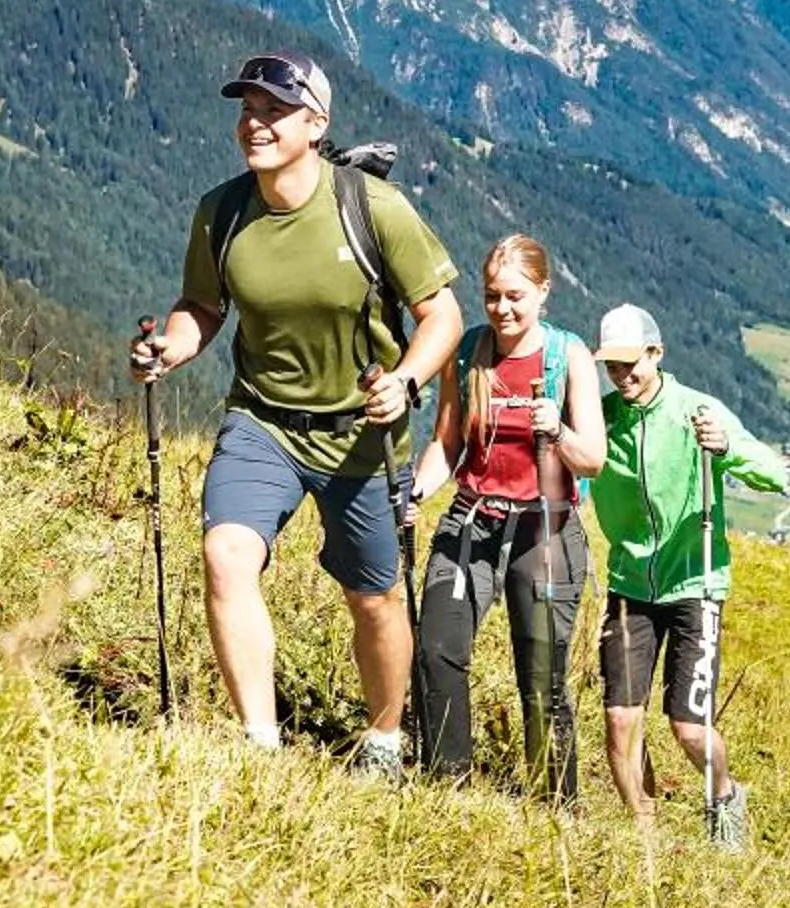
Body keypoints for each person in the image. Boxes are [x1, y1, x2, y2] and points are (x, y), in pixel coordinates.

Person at [132, 51, 463, 773]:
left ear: (316, 125)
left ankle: (381, 740)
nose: (254, 123)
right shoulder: (221, 214)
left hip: (360, 438)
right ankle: (259, 745)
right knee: (225, 556)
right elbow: (202, 307)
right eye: (247, 109)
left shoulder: (372, 210)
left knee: (372, 599)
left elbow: (441, 316)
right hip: (262, 422)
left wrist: (406, 381)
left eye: (274, 111)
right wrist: (170, 348)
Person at [410, 235, 608, 802]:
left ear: (544, 292)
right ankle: (446, 787)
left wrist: (557, 430)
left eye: (516, 296)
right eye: (493, 296)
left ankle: (553, 805)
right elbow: (448, 444)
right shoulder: (470, 352)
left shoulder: (567, 357)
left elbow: (592, 456)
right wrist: (417, 493)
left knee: (541, 674)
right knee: (437, 649)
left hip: (545, 529)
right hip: (472, 519)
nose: (503, 309)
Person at [586, 304, 787, 847]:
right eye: (613, 367)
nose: (623, 376)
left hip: (695, 586)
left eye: (632, 364)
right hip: (630, 586)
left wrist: (725, 448)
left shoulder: (695, 410)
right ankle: (645, 839)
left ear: (657, 353)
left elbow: (776, 474)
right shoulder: (603, 417)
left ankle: (725, 796)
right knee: (620, 725)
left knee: (689, 729)